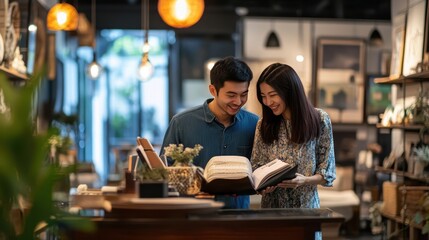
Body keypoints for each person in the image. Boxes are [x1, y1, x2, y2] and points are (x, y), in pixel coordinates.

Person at [160, 56, 259, 209]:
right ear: (213, 90)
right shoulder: (181, 123)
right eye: (231, 95)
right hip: (193, 216)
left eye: (244, 94)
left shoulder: (255, 124)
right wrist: (193, 187)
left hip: (239, 218)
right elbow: (164, 174)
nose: (238, 101)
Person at [251, 63, 336, 208]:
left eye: (272, 95)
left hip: (307, 209)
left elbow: (327, 172)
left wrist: (304, 180)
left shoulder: (320, 119)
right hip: (272, 209)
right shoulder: (263, 124)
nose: (267, 102)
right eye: (263, 96)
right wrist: (263, 185)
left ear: (289, 92)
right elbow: (256, 166)